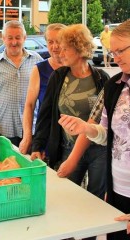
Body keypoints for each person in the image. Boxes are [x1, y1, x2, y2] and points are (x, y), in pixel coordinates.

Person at [58, 20, 130, 240]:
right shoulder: (115, 85)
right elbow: (106, 135)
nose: (115, 57)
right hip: (118, 191)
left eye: (120, 51)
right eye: (112, 51)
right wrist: (87, 128)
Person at [31, 24, 109, 205]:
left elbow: (103, 119)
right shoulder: (58, 77)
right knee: (66, 198)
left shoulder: (101, 78)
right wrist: (37, 146)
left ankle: (90, 234)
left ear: (80, 48)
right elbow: (45, 115)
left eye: (66, 49)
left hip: (98, 150)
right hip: (68, 147)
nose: (60, 53)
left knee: (95, 201)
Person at [0, 20, 43, 147]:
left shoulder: (37, 61)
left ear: (24, 38)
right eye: (10, 38)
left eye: (18, 38)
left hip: (32, 129)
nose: (14, 42)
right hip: (4, 128)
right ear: (3, 39)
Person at [19, 23, 66, 155]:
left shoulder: (74, 68)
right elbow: (29, 105)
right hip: (47, 137)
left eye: (59, 41)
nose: (55, 46)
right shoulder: (40, 69)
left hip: (71, 139)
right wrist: (28, 136)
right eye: (50, 41)